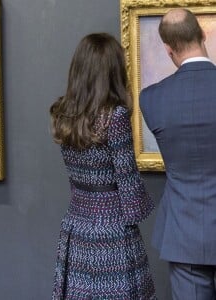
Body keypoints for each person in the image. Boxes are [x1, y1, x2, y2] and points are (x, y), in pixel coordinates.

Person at [50, 33, 156, 299]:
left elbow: (75, 180)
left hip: (77, 224)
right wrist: (145, 208)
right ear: (113, 71)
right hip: (112, 229)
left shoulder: (64, 113)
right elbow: (128, 184)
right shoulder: (116, 116)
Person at [140, 8, 216, 300]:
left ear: (168, 49)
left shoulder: (152, 98)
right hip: (185, 236)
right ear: (202, 34)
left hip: (185, 234)